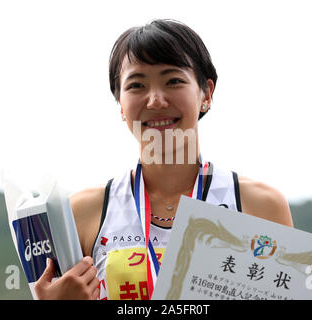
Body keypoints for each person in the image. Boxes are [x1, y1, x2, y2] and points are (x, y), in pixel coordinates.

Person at [34, 19, 293, 300]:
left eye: (173, 81)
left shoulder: (260, 206)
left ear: (206, 93)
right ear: (120, 103)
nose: (155, 100)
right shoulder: (83, 212)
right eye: (136, 85)